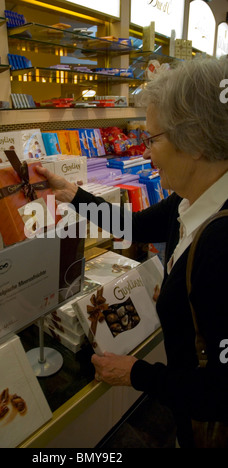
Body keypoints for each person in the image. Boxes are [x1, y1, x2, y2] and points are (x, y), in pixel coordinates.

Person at [36, 57, 228, 448]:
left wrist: (138, 374)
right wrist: (72, 193)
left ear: (196, 141)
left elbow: (221, 391)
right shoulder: (190, 199)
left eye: (153, 139)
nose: (147, 152)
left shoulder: (222, 246)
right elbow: (135, 226)